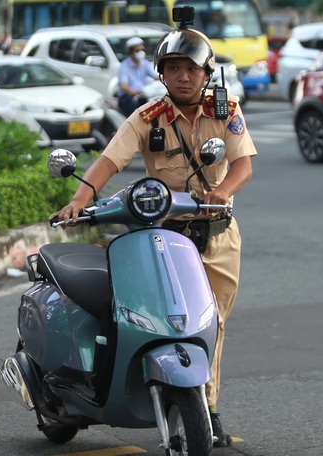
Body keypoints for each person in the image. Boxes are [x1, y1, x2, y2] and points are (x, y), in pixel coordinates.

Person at [53, 26, 256, 447]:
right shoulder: (147, 117)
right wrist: (78, 199)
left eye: (191, 69)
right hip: (165, 236)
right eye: (174, 69)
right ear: (162, 74)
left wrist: (222, 192)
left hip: (217, 235)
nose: (183, 76)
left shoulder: (226, 109)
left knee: (211, 324)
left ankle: (208, 408)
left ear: (206, 73)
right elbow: (109, 160)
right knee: (148, 314)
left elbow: (243, 166)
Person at [117, 36, 158, 116]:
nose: (141, 52)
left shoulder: (145, 63)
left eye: (142, 50)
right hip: (127, 97)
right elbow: (123, 85)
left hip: (142, 96)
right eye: (137, 50)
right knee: (138, 114)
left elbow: (156, 76)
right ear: (131, 52)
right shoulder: (124, 66)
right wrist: (133, 92)